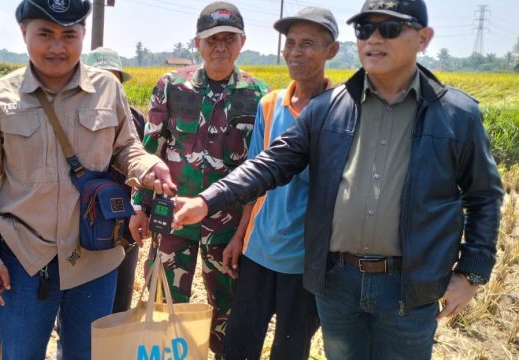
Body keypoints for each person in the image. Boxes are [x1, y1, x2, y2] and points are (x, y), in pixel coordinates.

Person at [172, 0, 504, 359]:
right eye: (365, 29)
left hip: (408, 288)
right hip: (339, 283)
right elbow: (271, 163)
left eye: (390, 29)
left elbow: (484, 197)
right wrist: (208, 200)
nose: (374, 39)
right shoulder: (329, 108)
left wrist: (471, 273)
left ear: (423, 38)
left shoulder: (456, 115)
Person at [0, 1, 175, 359]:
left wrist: (148, 167)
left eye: (68, 35)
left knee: (86, 355)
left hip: (95, 258)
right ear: (23, 33)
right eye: (45, 34)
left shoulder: (108, 89)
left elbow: (127, 149)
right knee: (20, 353)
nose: (57, 47)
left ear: (83, 35)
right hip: (26, 260)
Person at [128, 1, 269, 356]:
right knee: (162, 308)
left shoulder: (258, 95)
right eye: (212, 40)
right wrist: (140, 208)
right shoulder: (172, 86)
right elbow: (151, 148)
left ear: (242, 42)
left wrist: (243, 231)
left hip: (226, 223)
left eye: (228, 39)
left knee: (228, 313)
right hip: (171, 219)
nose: (220, 47)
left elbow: (259, 169)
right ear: (197, 43)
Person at [222, 7, 339, 360]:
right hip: (259, 250)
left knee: (290, 349)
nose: (295, 52)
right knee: (239, 345)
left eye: (308, 44)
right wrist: (240, 235)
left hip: (304, 259)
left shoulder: (342, 111)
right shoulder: (270, 105)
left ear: (331, 51)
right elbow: (254, 176)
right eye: (290, 43)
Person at [83, 46, 146, 313]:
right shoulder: (72, 119)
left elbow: (141, 168)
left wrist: (141, 208)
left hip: (122, 228)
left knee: (120, 307)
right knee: (81, 310)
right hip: (83, 229)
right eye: (100, 79)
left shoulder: (136, 120)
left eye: (113, 80)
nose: (107, 87)